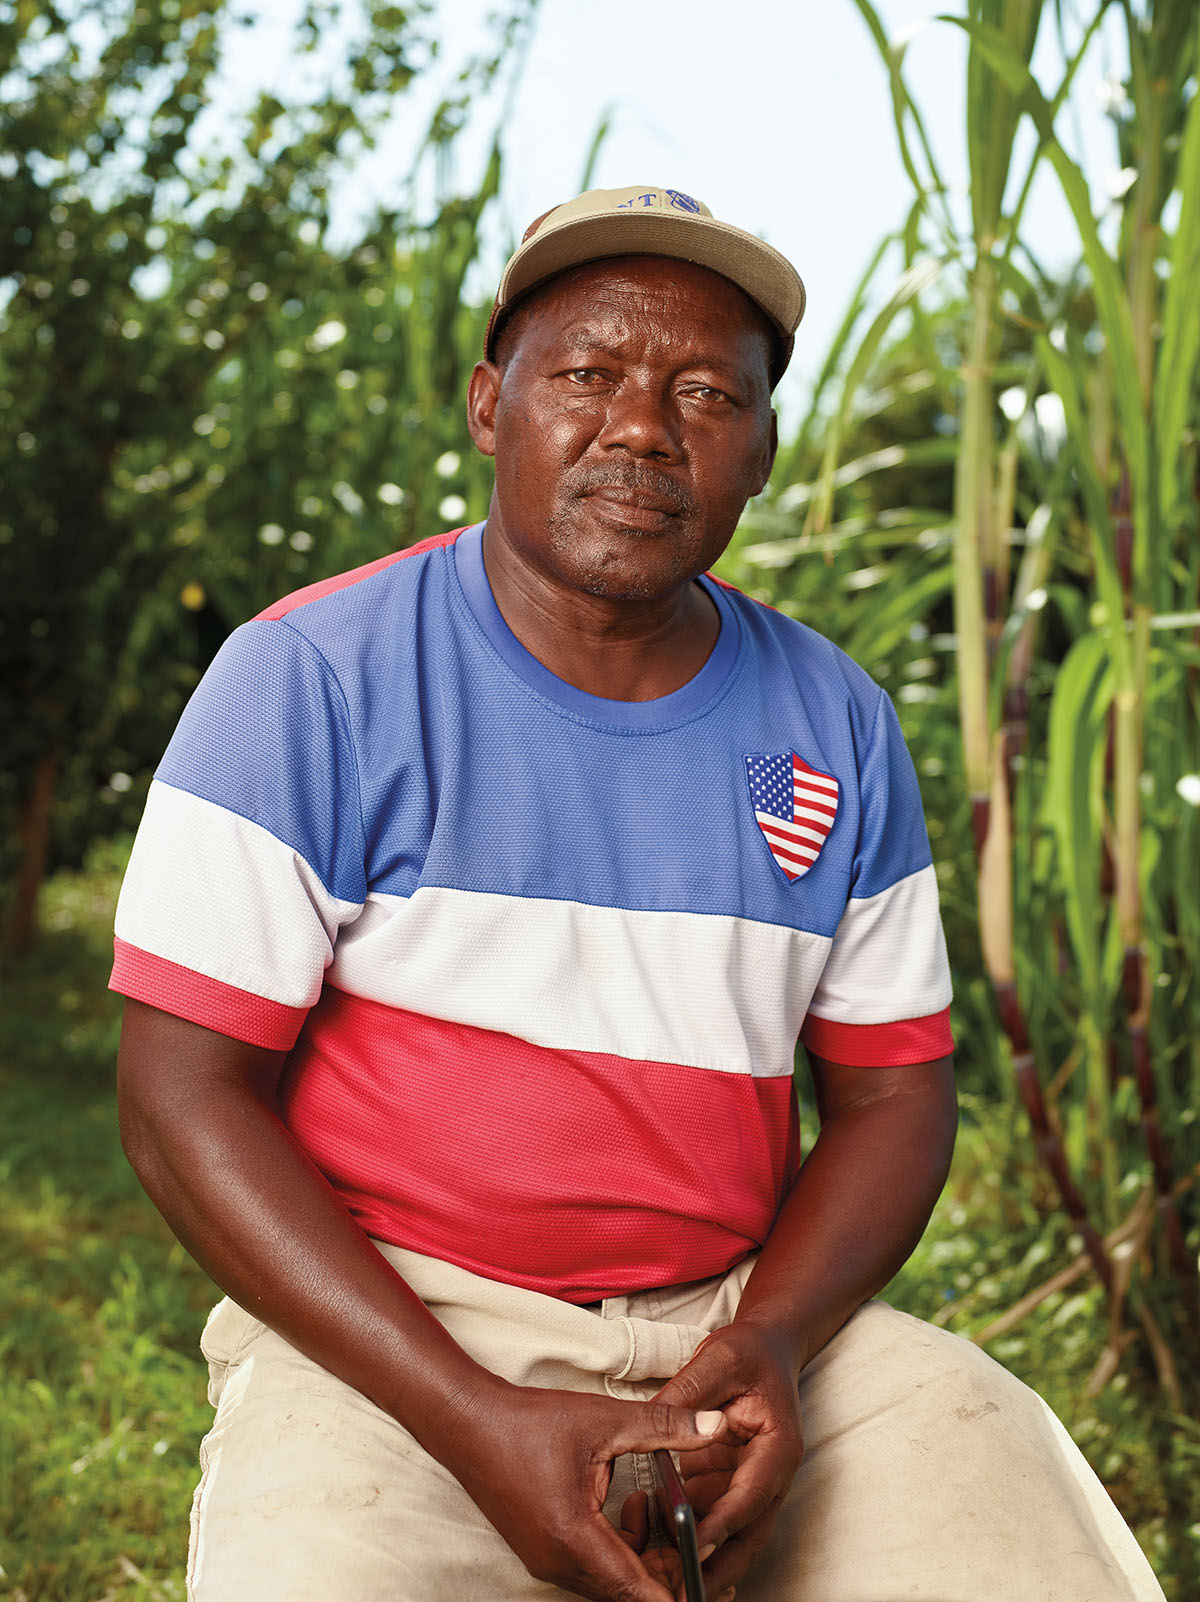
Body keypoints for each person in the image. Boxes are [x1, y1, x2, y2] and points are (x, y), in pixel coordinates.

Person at [111, 185, 1165, 1602]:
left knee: (1025, 1532)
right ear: (492, 406)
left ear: (763, 448)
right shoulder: (312, 679)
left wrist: (777, 1341)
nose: (644, 429)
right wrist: (474, 1418)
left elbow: (897, 1097)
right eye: (588, 374)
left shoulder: (837, 722)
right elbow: (181, 1093)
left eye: (705, 393)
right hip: (395, 1333)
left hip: (737, 1323)